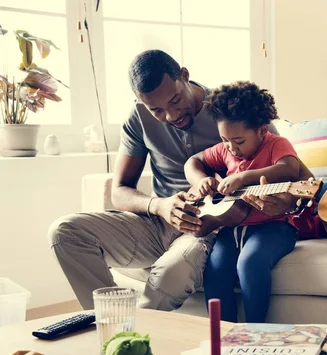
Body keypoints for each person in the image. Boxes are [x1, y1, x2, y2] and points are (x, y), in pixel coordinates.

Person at [48, 49, 313, 311]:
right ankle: (111, 321)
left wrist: (285, 204)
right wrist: (159, 206)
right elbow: (119, 192)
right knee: (64, 232)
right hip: (155, 222)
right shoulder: (138, 118)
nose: (171, 116)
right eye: (157, 110)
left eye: (175, 100)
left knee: (169, 275)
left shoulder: (231, 112)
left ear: (185, 76)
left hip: (207, 227)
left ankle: (135, 332)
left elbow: (298, 175)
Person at [184, 81, 300, 323]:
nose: (231, 148)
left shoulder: (276, 144)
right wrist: (201, 180)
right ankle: (223, 335)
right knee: (215, 269)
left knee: (250, 262)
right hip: (232, 228)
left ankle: (255, 332)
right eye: (225, 139)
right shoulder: (224, 150)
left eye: (239, 141)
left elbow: (290, 168)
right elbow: (192, 162)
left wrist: (243, 177)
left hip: (273, 227)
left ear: (261, 129)